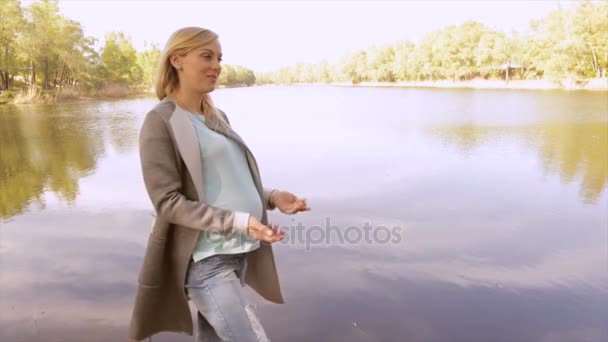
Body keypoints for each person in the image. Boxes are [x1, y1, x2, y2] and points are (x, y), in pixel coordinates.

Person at [128, 26, 310, 342]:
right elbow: (167, 202)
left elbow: (223, 182)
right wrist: (239, 222)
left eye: (219, 58)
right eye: (207, 56)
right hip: (205, 258)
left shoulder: (217, 116)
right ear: (177, 60)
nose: (217, 66)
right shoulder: (160, 122)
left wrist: (273, 197)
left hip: (238, 251)